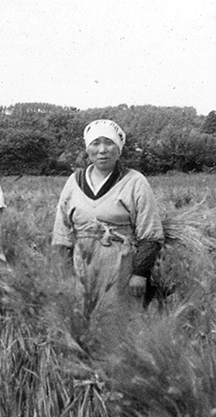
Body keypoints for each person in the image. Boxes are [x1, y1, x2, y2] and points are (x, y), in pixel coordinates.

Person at [52, 119, 164, 343]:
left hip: (120, 266)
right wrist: (60, 273)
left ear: (119, 149)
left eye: (108, 143)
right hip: (81, 266)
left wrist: (140, 274)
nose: (102, 150)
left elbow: (150, 233)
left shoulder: (134, 181)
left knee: (119, 326)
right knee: (83, 324)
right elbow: (62, 231)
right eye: (95, 143)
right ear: (87, 149)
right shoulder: (74, 182)